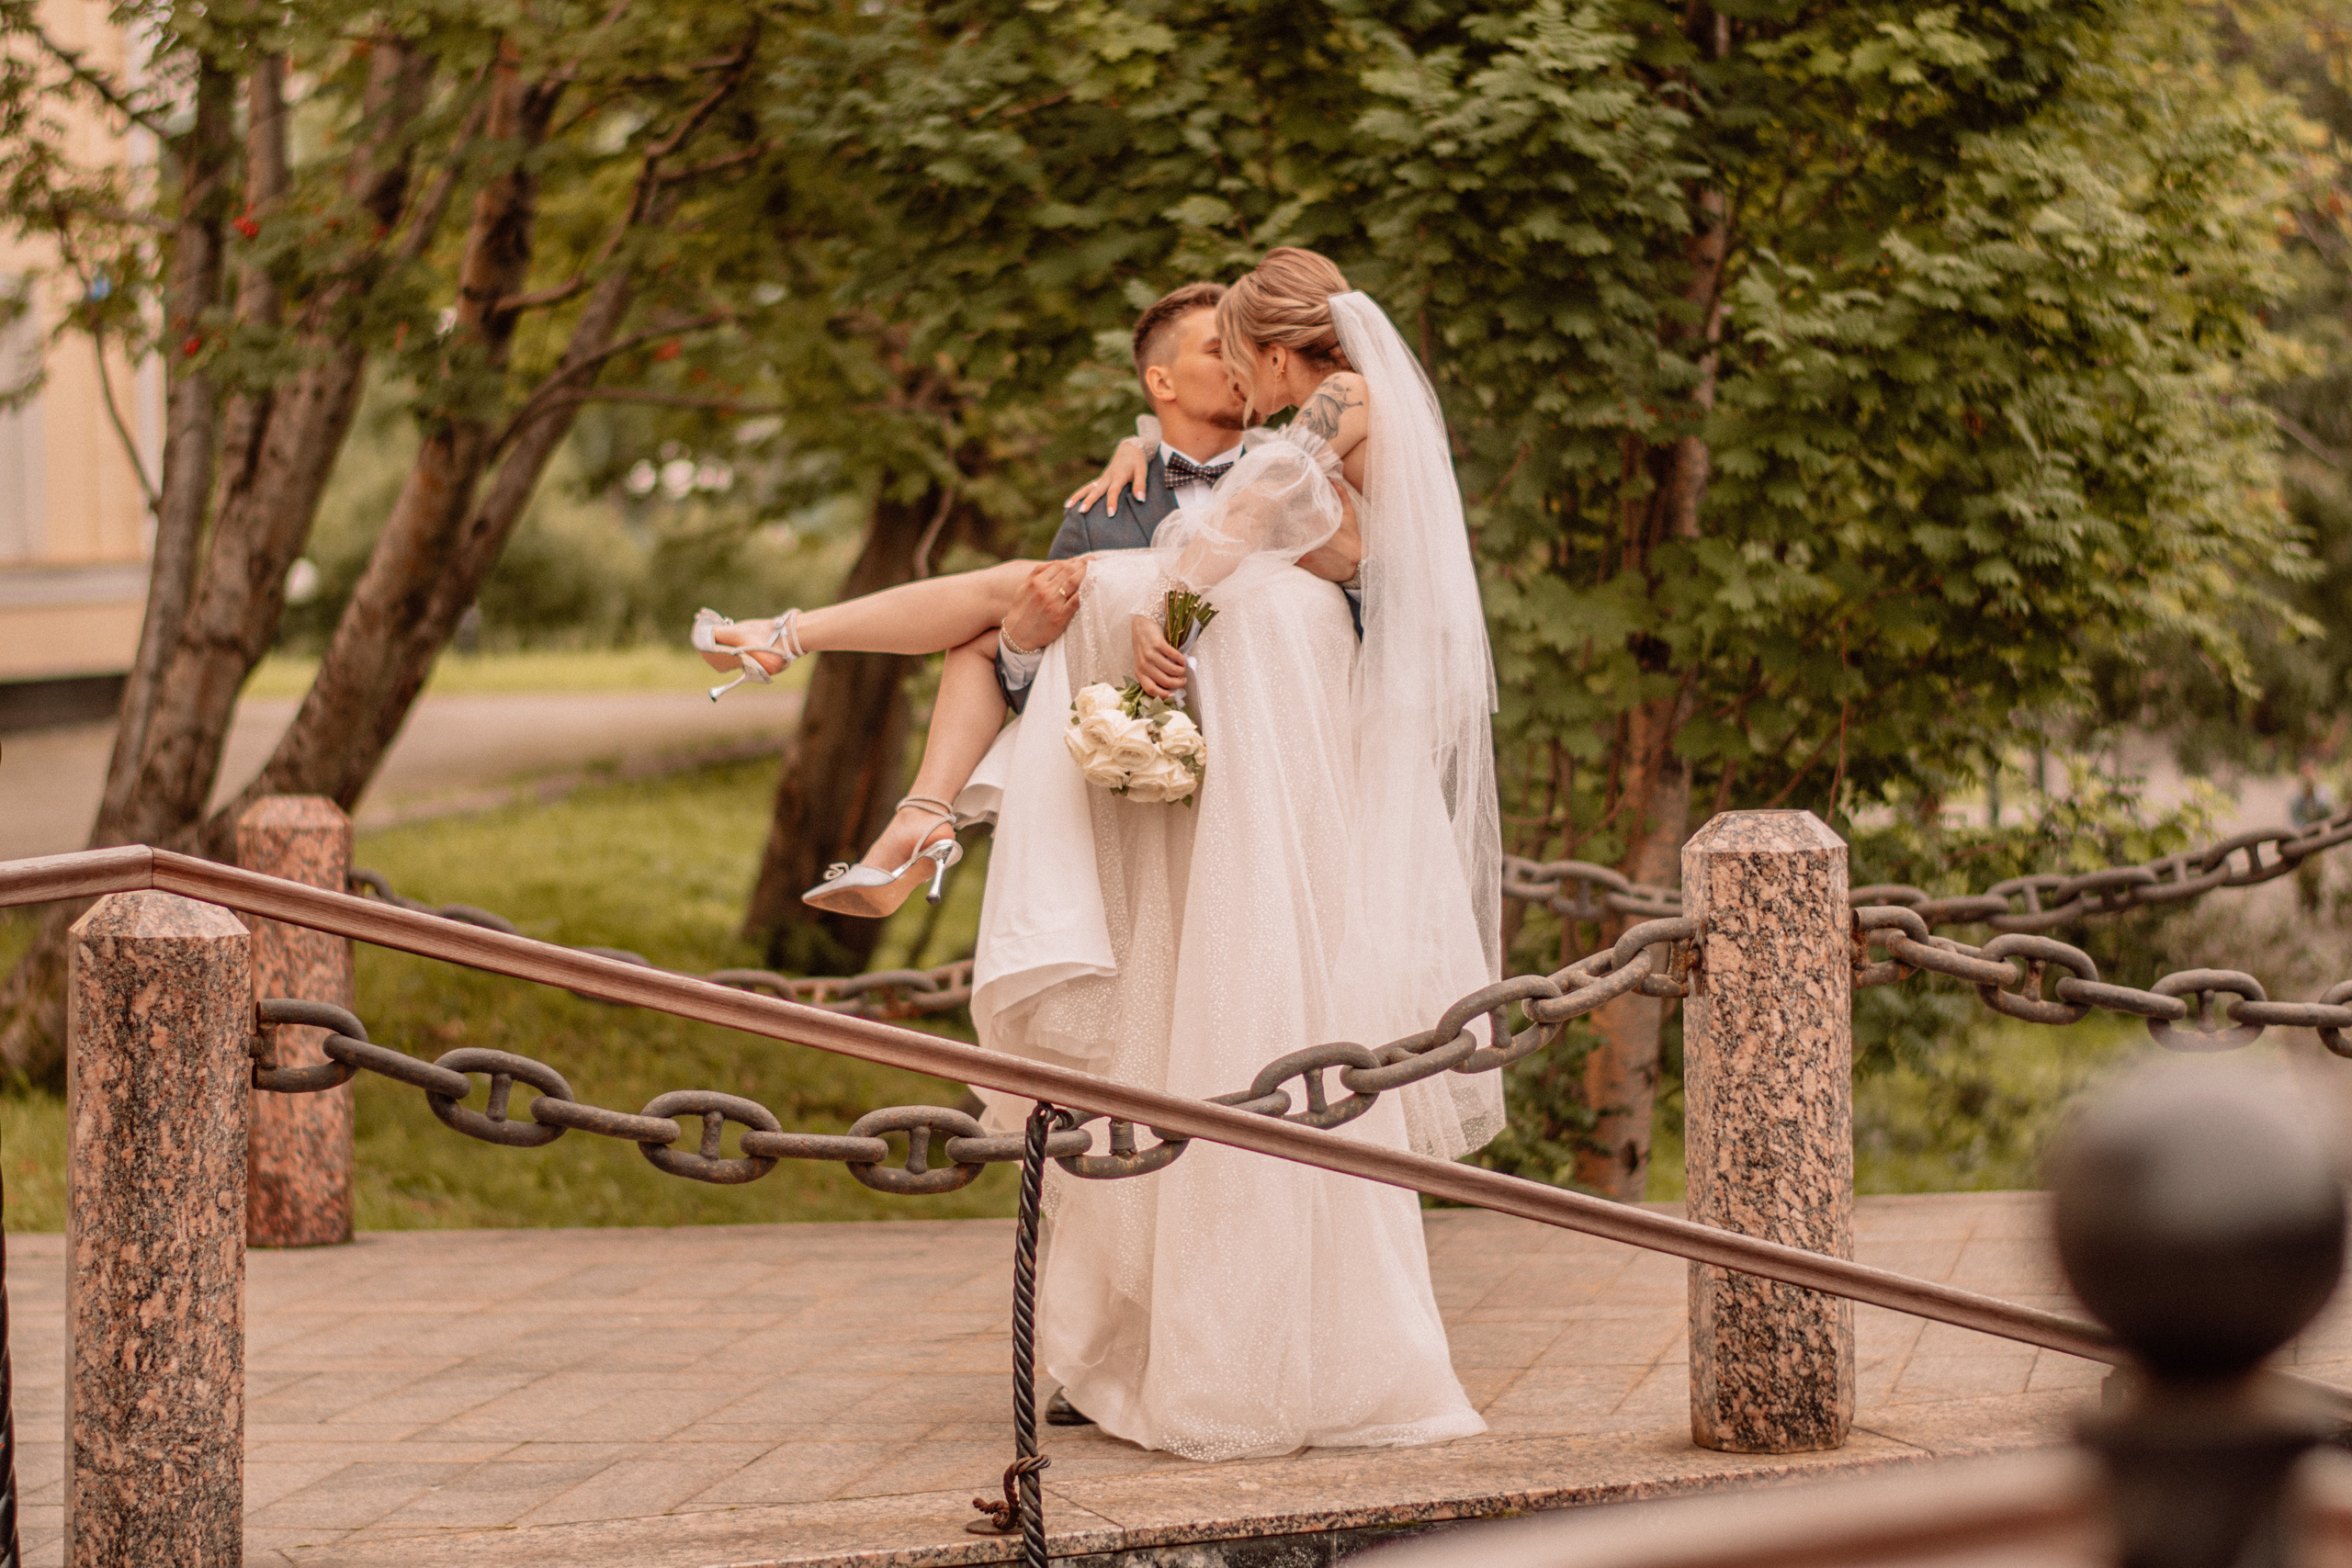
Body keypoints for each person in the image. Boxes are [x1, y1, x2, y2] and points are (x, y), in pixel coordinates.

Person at [966, 247, 1503, 1460]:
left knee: (1265, 1007)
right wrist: (1148, 461)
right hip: (1288, 746)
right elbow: (1303, 522)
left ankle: (1246, 1362)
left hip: (1294, 746)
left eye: (1238, 353)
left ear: (1269, 350)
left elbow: (1266, 502)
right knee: (1239, 1005)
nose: (1243, 386)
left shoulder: (1339, 402)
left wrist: (1174, 601)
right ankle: (1192, 1337)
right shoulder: (1348, 408)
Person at [692, 282, 1359, 916]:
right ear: (1162, 382)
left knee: (1003, 607)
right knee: (996, 633)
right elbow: (1054, 694)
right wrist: (1020, 644)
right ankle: (901, 789)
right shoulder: (1101, 512)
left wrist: (1141, 443)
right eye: (1219, 350)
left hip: (1282, 782)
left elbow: (1359, 623)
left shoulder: (1302, 483)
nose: (1241, 362)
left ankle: (799, 655)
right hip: (1148, 814)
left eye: (1246, 346)